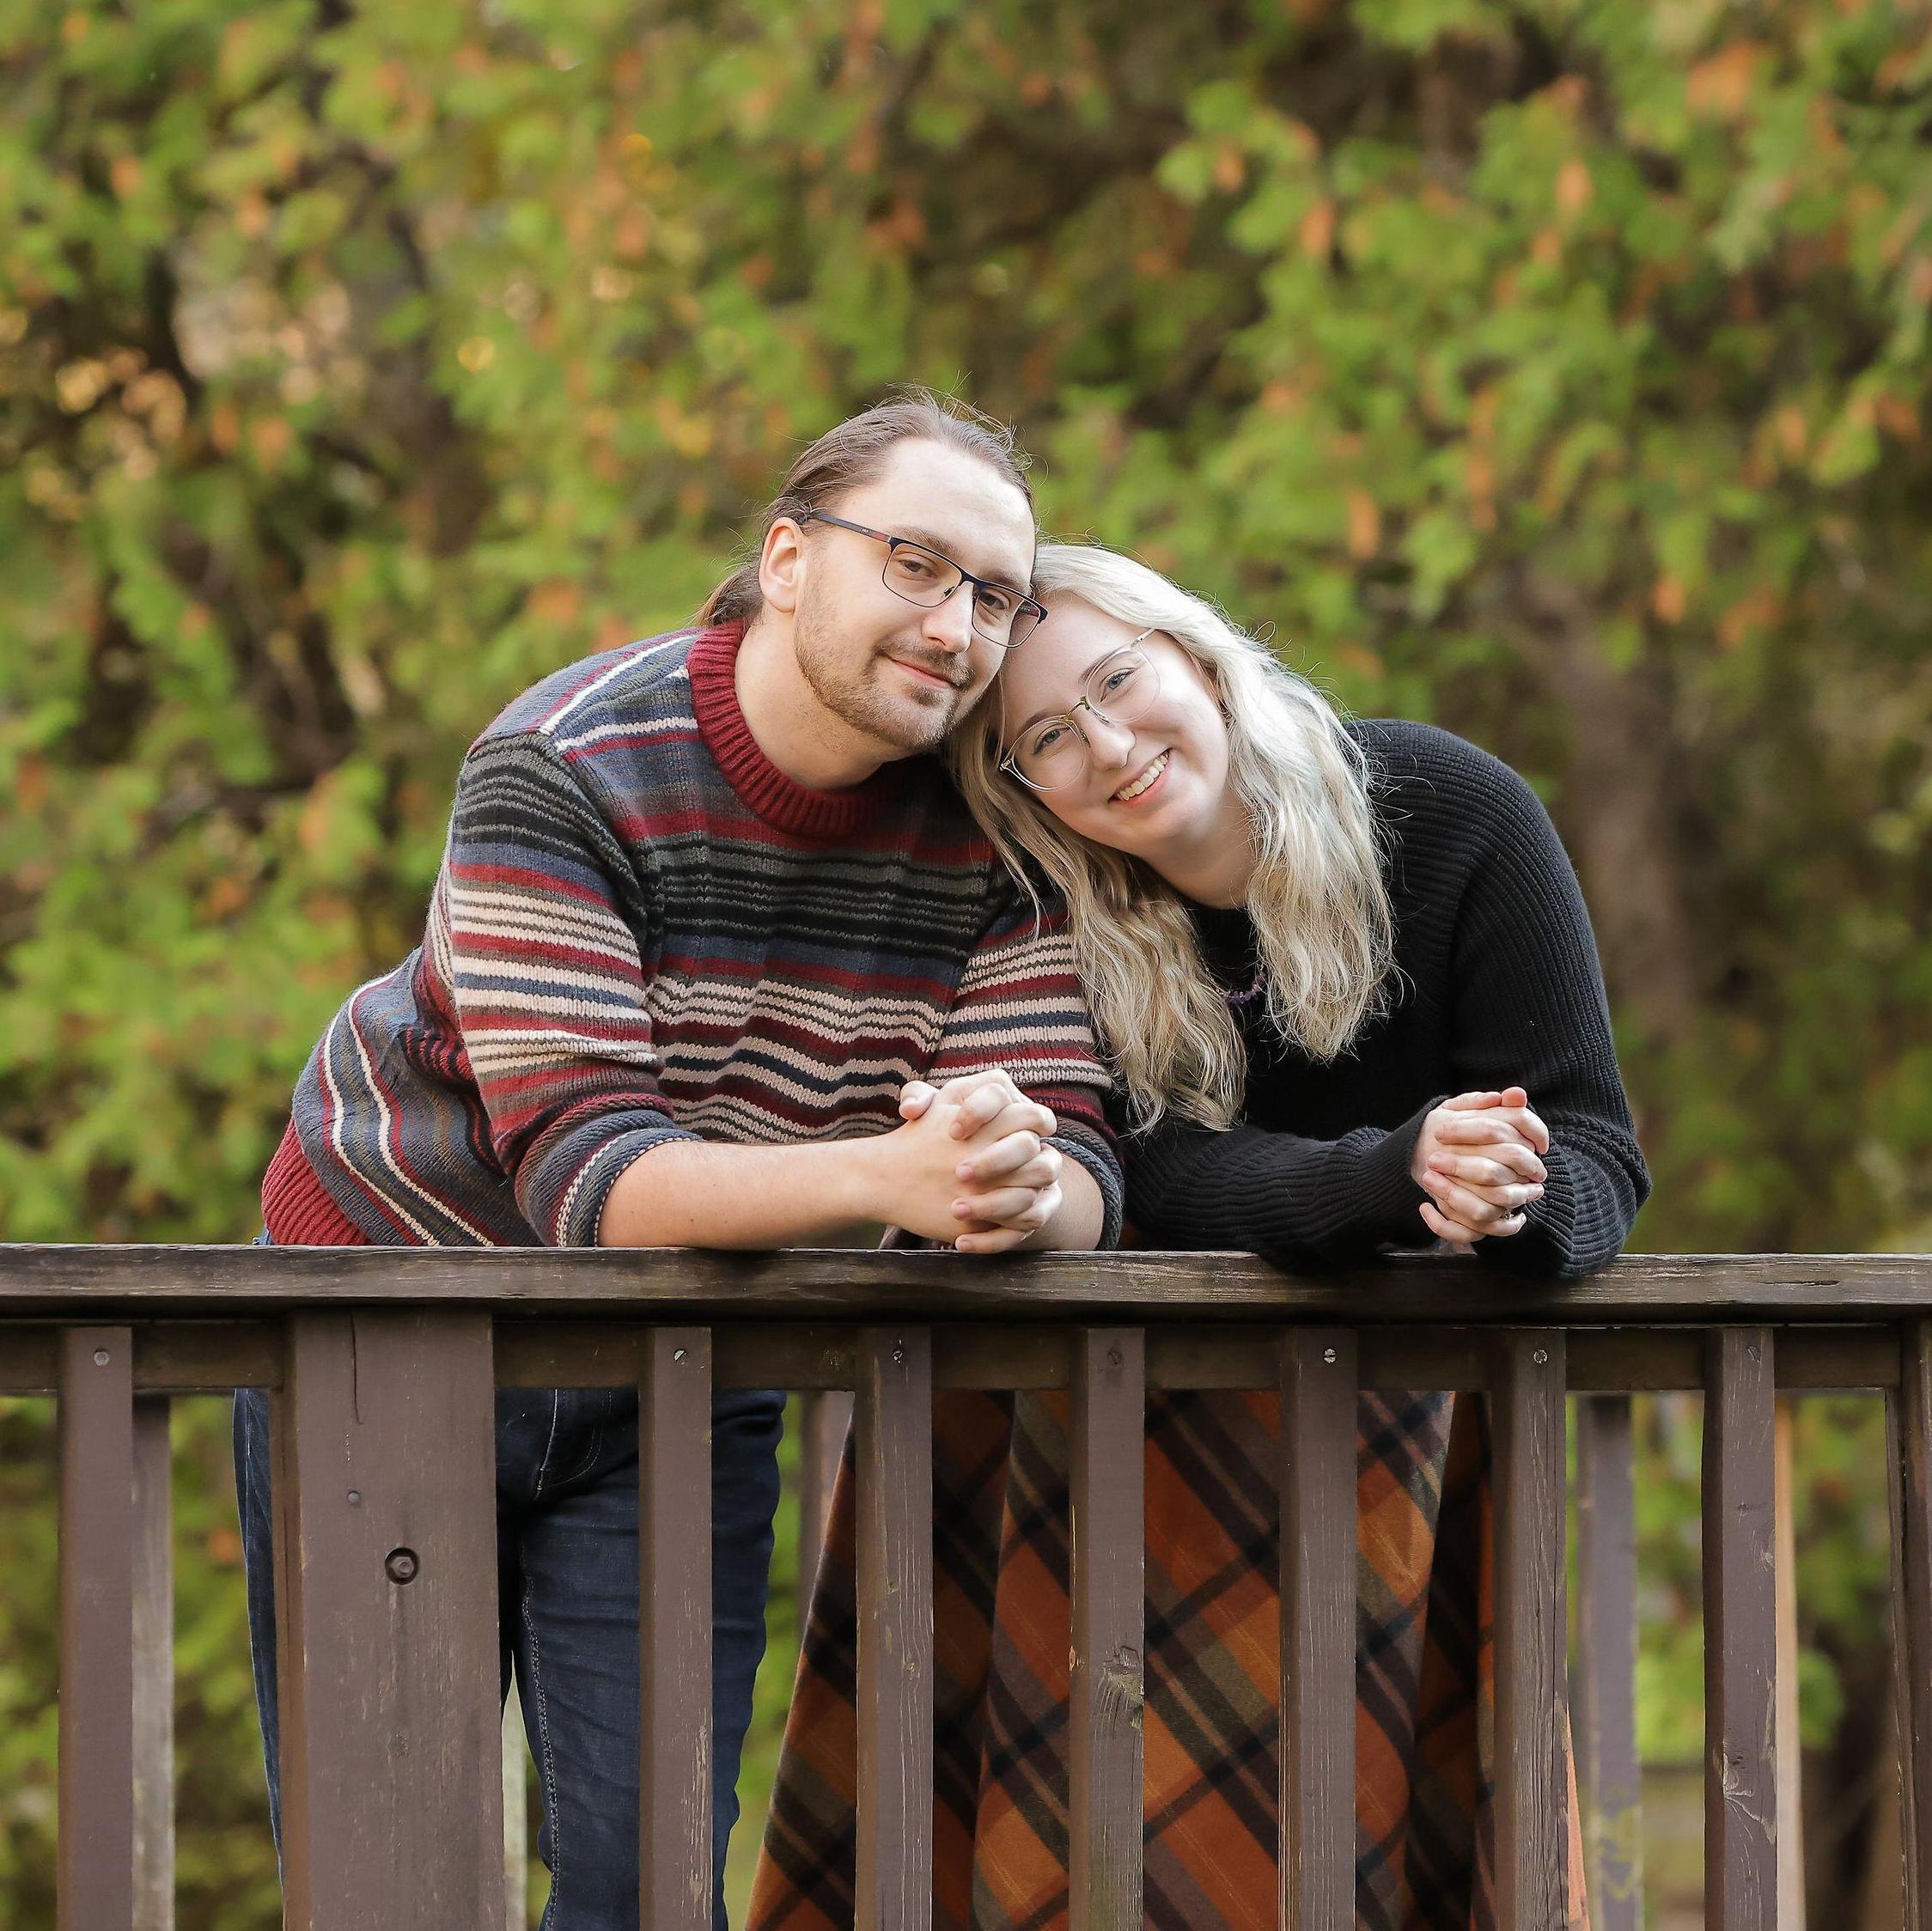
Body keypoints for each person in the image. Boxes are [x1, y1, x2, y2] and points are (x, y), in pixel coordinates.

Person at [235, 398, 1125, 1931]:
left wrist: (1012, 1181)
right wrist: (883, 1178)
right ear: (788, 559)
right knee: (386, 1862)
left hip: (687, 1346)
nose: (958, 624)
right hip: (392, 1311)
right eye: (916, 564)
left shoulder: (999, 833)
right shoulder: (565, 758)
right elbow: (591, 1180)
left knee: (650, 1882)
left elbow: (1080, 1147)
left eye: (994, 595)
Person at [750, 541, 1648, 1930]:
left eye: (1120, 681)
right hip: (1096, 1458)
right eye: (1046, 736)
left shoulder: (1448, 810)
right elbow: (1149, 1179)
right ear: (1017, 788)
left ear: (1200, 656)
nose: (1108, 746)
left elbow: (1595, 1153)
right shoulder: (1044, 914)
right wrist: (1394, 1172)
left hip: (1395, 1466)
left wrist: (1509, 1201)